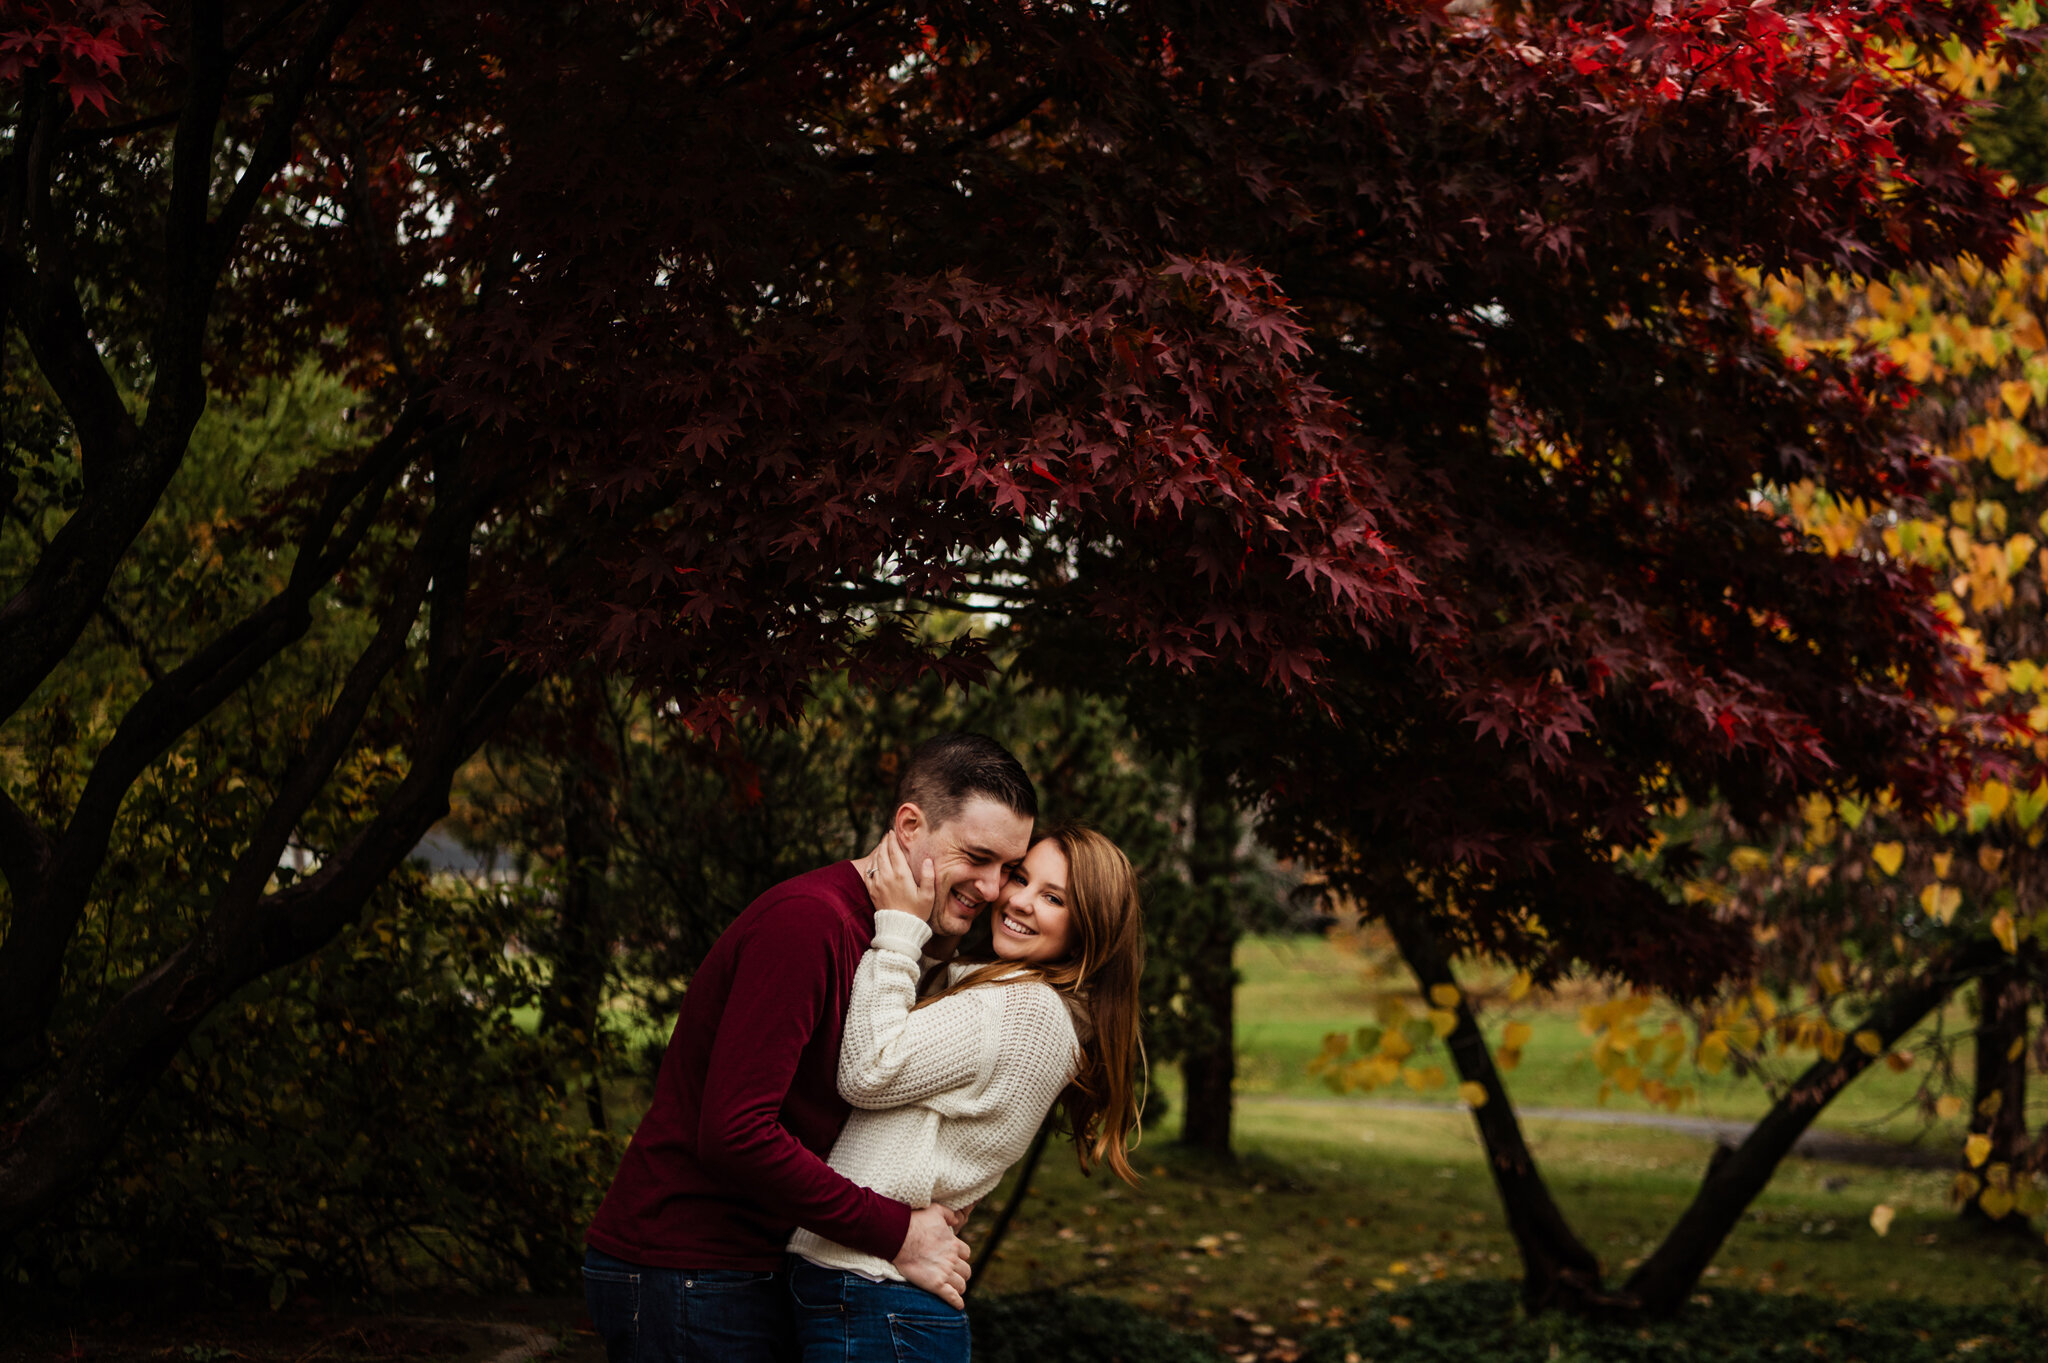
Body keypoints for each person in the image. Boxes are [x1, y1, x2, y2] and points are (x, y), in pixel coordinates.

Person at [582, 733, 1037, 1363]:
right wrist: (896, 1230)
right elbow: (735, 1132)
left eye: (1009, 869)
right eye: (978, 858)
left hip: (755, 1265)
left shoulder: (895, 943)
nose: (994, 889)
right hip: (689, 1263)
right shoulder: (810, 924)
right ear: (910, 825)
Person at [786, 823, 1146, 1363]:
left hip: (878, 1301)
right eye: (1020, 879)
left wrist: (900, 928)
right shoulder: (1002, 992)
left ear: (1088, 928)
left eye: (1052, 898)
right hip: (867, 1292)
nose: (1019, 901)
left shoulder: (1028, 1011)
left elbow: (868, 1069)